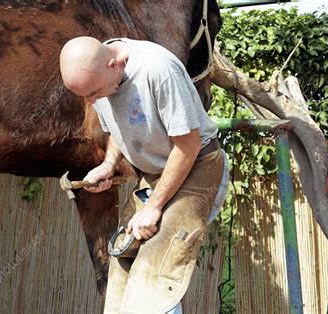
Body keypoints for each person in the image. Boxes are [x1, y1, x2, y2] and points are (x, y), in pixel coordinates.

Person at [60, 36, 228, 314]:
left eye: (94, 93)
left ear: (114, 64)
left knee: (154, 273)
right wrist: (109, 164)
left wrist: (153, 207)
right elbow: (117, 128)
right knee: (122, 263)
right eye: (86, 95)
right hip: (157, 176)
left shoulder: (157, 69)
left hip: (198, 167)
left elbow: (188, 147)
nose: (91, 100)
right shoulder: (99, 77)